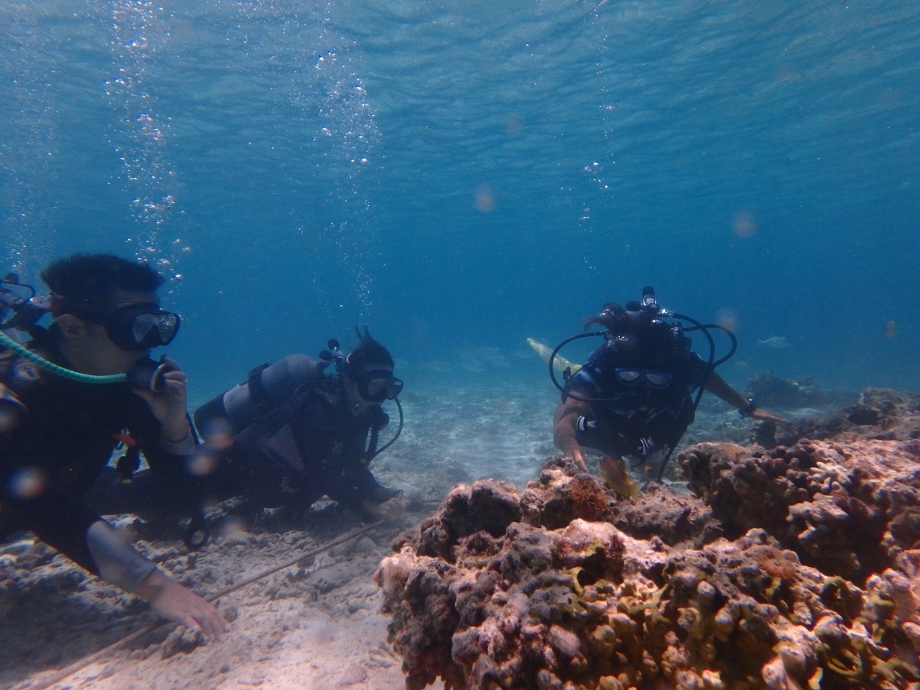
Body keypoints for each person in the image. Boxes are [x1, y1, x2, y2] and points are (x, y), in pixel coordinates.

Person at [0, 254, 229, 640]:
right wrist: (157, 587)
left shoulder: (121, 386)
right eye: (135, 328)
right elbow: (38, 502)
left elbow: (182, 494)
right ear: (73, 329)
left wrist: (174, 425)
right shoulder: (18, 390)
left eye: (158, 327)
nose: (150, 343)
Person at [553, 289, 784, 480]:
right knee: (585, 429)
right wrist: (569, 445)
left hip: (655, 429)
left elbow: (707, 378)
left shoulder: (678, 360)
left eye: (655, 377)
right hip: (605, 427)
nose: (641, 383)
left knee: (656, 461)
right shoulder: (606, 360)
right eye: (629, 375)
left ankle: (650, 464)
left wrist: (747, 407)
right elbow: (565, 418)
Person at [193, 328, 409, 523]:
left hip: (266, 484)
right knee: (176, 502)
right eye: (374, 386)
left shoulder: (358, 413)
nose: (381, 396)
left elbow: (353, 464)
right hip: (227, 470)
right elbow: (323, 473)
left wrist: (379, 491)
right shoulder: (317, 408)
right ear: (349, 380)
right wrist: (368, 507)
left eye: (389, 387)